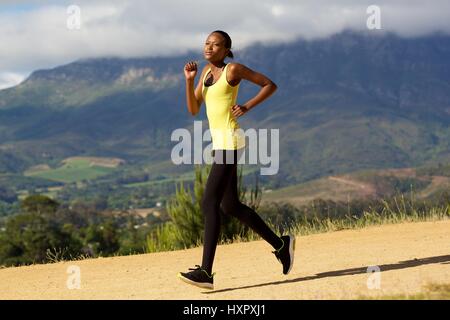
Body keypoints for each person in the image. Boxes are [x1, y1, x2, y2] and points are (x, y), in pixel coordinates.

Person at [177, 30, 295, 290]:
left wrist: (247, 106)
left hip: (230, 142)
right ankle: (281, 245)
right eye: (207, 43)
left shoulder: (233, 70)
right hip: (219, 144)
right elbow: (194, 109)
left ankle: (206, 272)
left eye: (215, 44)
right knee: (230, 207)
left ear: (226, 49)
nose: (209, 47)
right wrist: (189, 80)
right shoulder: (206, 73)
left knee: (209, 202)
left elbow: (269, 84)